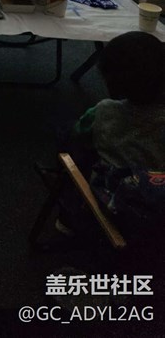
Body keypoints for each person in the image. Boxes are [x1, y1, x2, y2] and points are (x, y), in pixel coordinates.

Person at [63, 31, 165, 238]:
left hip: (108, 198)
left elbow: (78, 134)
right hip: (155, 208)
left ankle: (69, 213)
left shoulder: (104, 110)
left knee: (68, 133)